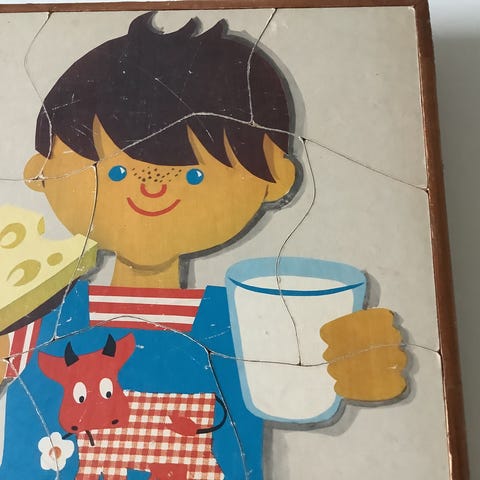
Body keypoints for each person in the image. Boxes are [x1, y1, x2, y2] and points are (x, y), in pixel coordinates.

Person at [0, 13, 406, 479]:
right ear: (40, 170)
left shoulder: (249, 322)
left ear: (276, 175)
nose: (150, 189)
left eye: (195, 175)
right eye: (116, 171)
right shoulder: (39, 315)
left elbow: (306, 383)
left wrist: (350, 367)